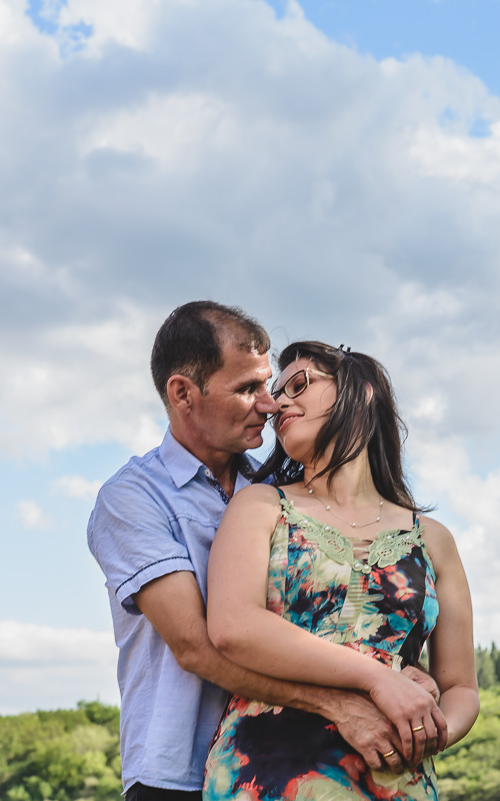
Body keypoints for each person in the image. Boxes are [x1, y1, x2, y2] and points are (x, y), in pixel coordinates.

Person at [88, 303, 438, 801]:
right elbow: (196, 645)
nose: (269, 405)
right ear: (182, 393)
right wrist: (342, 704)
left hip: (297, 766)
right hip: (178, 772)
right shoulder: (133, 498)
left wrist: (409, 678)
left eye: (269, 386)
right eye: (247, 389)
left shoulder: (282, 492)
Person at [202, 341, 479, 801]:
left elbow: (461, 687)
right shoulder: (262, 506)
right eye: (277, 392)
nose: (279, 403)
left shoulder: (433, 539)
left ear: (362, 391)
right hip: (267, 775)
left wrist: (428, 733)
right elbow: (233, 626)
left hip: (395, 784)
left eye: (299, 384)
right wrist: (380, 678)